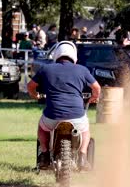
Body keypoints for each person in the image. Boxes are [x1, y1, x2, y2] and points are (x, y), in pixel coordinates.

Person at [27, 41, 101, 170]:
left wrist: (35, 95)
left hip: (52, 116)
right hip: (77, 116)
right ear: (74, 56)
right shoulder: (82, 69)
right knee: (85, 130)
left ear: (56, 55)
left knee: (42, 127)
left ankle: (44, 154)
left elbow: (30, 86)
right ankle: (82, 156)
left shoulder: (46, 69)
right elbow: (96, 87)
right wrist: (94, 97)